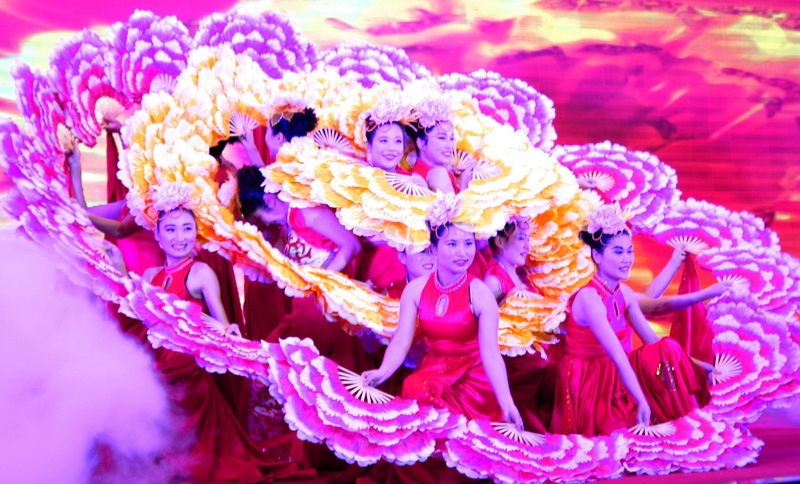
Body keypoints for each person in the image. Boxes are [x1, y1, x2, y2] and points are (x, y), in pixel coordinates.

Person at [142, 207, 314, 482]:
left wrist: (229, 331)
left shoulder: (200, 272)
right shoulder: (150, 276)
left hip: (188, 374)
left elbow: (220, 322)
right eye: (171, 230)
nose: (180, 237)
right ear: (157, 236)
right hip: (155, 368)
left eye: (187, 228)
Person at [550, 205, 709, 437]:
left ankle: (685, 421)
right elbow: (618, 356)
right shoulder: (589, 298)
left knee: (667, 347)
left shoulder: (622, 292)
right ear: (597, 256)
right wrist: (641, 400)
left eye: (629, 251)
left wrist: (699, 366)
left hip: (619, 370)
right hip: (591, 380)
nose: (627, 259)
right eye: (618, 252)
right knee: (622, 431)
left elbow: (654, 341)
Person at [363, 219, 522, 427]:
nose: (463, 253)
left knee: (419, 388)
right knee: (414, 386)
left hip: (473, 379)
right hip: (434, 372)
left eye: (468, 243)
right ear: (434, 249)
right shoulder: (415, 290)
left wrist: (507, 402)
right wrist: (383, 371)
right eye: (452, 244)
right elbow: (401, 342)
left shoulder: (481, 294)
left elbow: (491, 354)